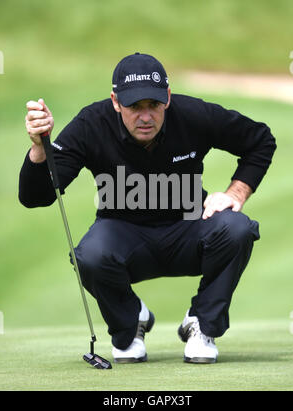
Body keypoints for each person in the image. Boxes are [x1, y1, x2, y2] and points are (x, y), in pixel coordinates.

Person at [19, 52, 276, 364]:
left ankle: (202, 325)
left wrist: (237, 191)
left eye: (153, 105)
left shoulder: (193, 114)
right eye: (133, 107)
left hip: (189, 228)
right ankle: (131, 322)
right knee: (89, 254)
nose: (145, 116)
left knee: (237, 227)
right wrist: (38, 148)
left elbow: (260, 139)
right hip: (123, 235)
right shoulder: (91, 124)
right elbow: (37, 196)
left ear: (166, 98)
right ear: (115, 102)